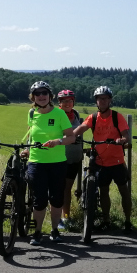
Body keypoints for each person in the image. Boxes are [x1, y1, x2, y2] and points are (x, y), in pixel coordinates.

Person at [72, 85, 132, 232]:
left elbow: (127, 136)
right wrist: (68, 137)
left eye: (105, 98)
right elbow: (80, 129)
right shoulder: (93, 118)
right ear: (96, 101)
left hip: (117, 162)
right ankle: (106, 220)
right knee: (104, 192)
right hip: (101, 162)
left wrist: (121, 140)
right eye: (99, 99)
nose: (102, 101)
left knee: (124, 191)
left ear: (110, 100)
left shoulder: (117, 117)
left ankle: (128, 221)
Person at [23, 81, 76, 246]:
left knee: (56, 199)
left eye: (44, 93)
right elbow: (31, 136)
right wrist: (27, 149)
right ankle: (37, 232)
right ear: (33, 97)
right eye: (37, 94)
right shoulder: (32, 114)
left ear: (50, 96)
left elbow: (71, 137)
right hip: (36, 162)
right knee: (39, 200)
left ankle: (54, 230)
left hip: (57, 163)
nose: (41, 96)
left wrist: (58, 141)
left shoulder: (60, 114)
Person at [56, 89, 84, 231]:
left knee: (67, 189)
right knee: (59, 189)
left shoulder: (77, 115)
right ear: (59, 103)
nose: (67, 103)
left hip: (74, 159)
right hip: (59, 158)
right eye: (64, 101)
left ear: (73, 102)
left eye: (70, 100)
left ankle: (66, 216)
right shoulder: (56, 115)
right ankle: (57, 219)